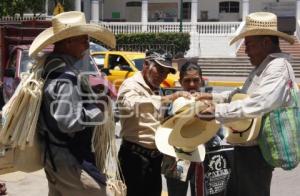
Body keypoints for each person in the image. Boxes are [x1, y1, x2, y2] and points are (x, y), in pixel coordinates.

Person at [196, 12, 296, 196]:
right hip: (246, 150)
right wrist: (213, 98)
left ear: (266, 43)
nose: (246, 50)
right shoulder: (263, 67)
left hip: (256, 155)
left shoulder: (278, 66)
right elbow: (241, 95)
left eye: (250, 45)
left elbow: (261, 102)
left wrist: (217, 111)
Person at [28, 11, 116, 196]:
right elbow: (69, 123)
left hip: (56, 158)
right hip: (70, 161)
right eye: (83, 39)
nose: (87, 44)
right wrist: (98, 108)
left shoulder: (51, 69)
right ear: (68, 42)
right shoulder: (66, 78)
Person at [117, 50, 190, 196]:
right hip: (134, 159)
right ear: (146, 64)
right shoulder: (131, 85)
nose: (162, 76)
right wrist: (167, 98)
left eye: (166, 73)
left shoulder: (157, 90)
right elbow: (130, 104)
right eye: (160, 70)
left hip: (155, 160)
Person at [161, 60, 203, 196]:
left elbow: (217, 134)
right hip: (178, 159)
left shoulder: (208, 103)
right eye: (187, 80)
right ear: (180, 81)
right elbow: (164, 131)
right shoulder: (173, 103)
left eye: (196, 80)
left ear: (201, 80)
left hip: (202, 159)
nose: (192, 84)